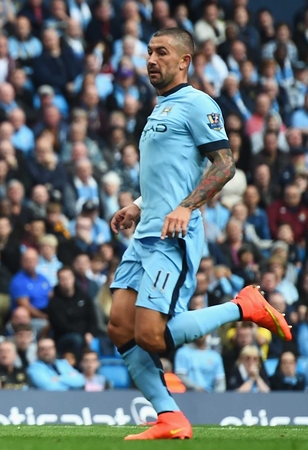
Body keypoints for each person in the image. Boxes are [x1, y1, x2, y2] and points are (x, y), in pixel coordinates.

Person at [107, 28, 292, 441]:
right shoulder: (160, 109)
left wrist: (186, 207)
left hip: (174, 236)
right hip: (146, 233)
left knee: (151, 335)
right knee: (119, 327)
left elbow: (224, 164)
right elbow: (170, 173)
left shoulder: (197, 104)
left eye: (162, 52)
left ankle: (245, 307)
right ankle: (170, 417)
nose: (152, 59)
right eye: (149, 52)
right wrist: (137, 205)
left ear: (184, 61)